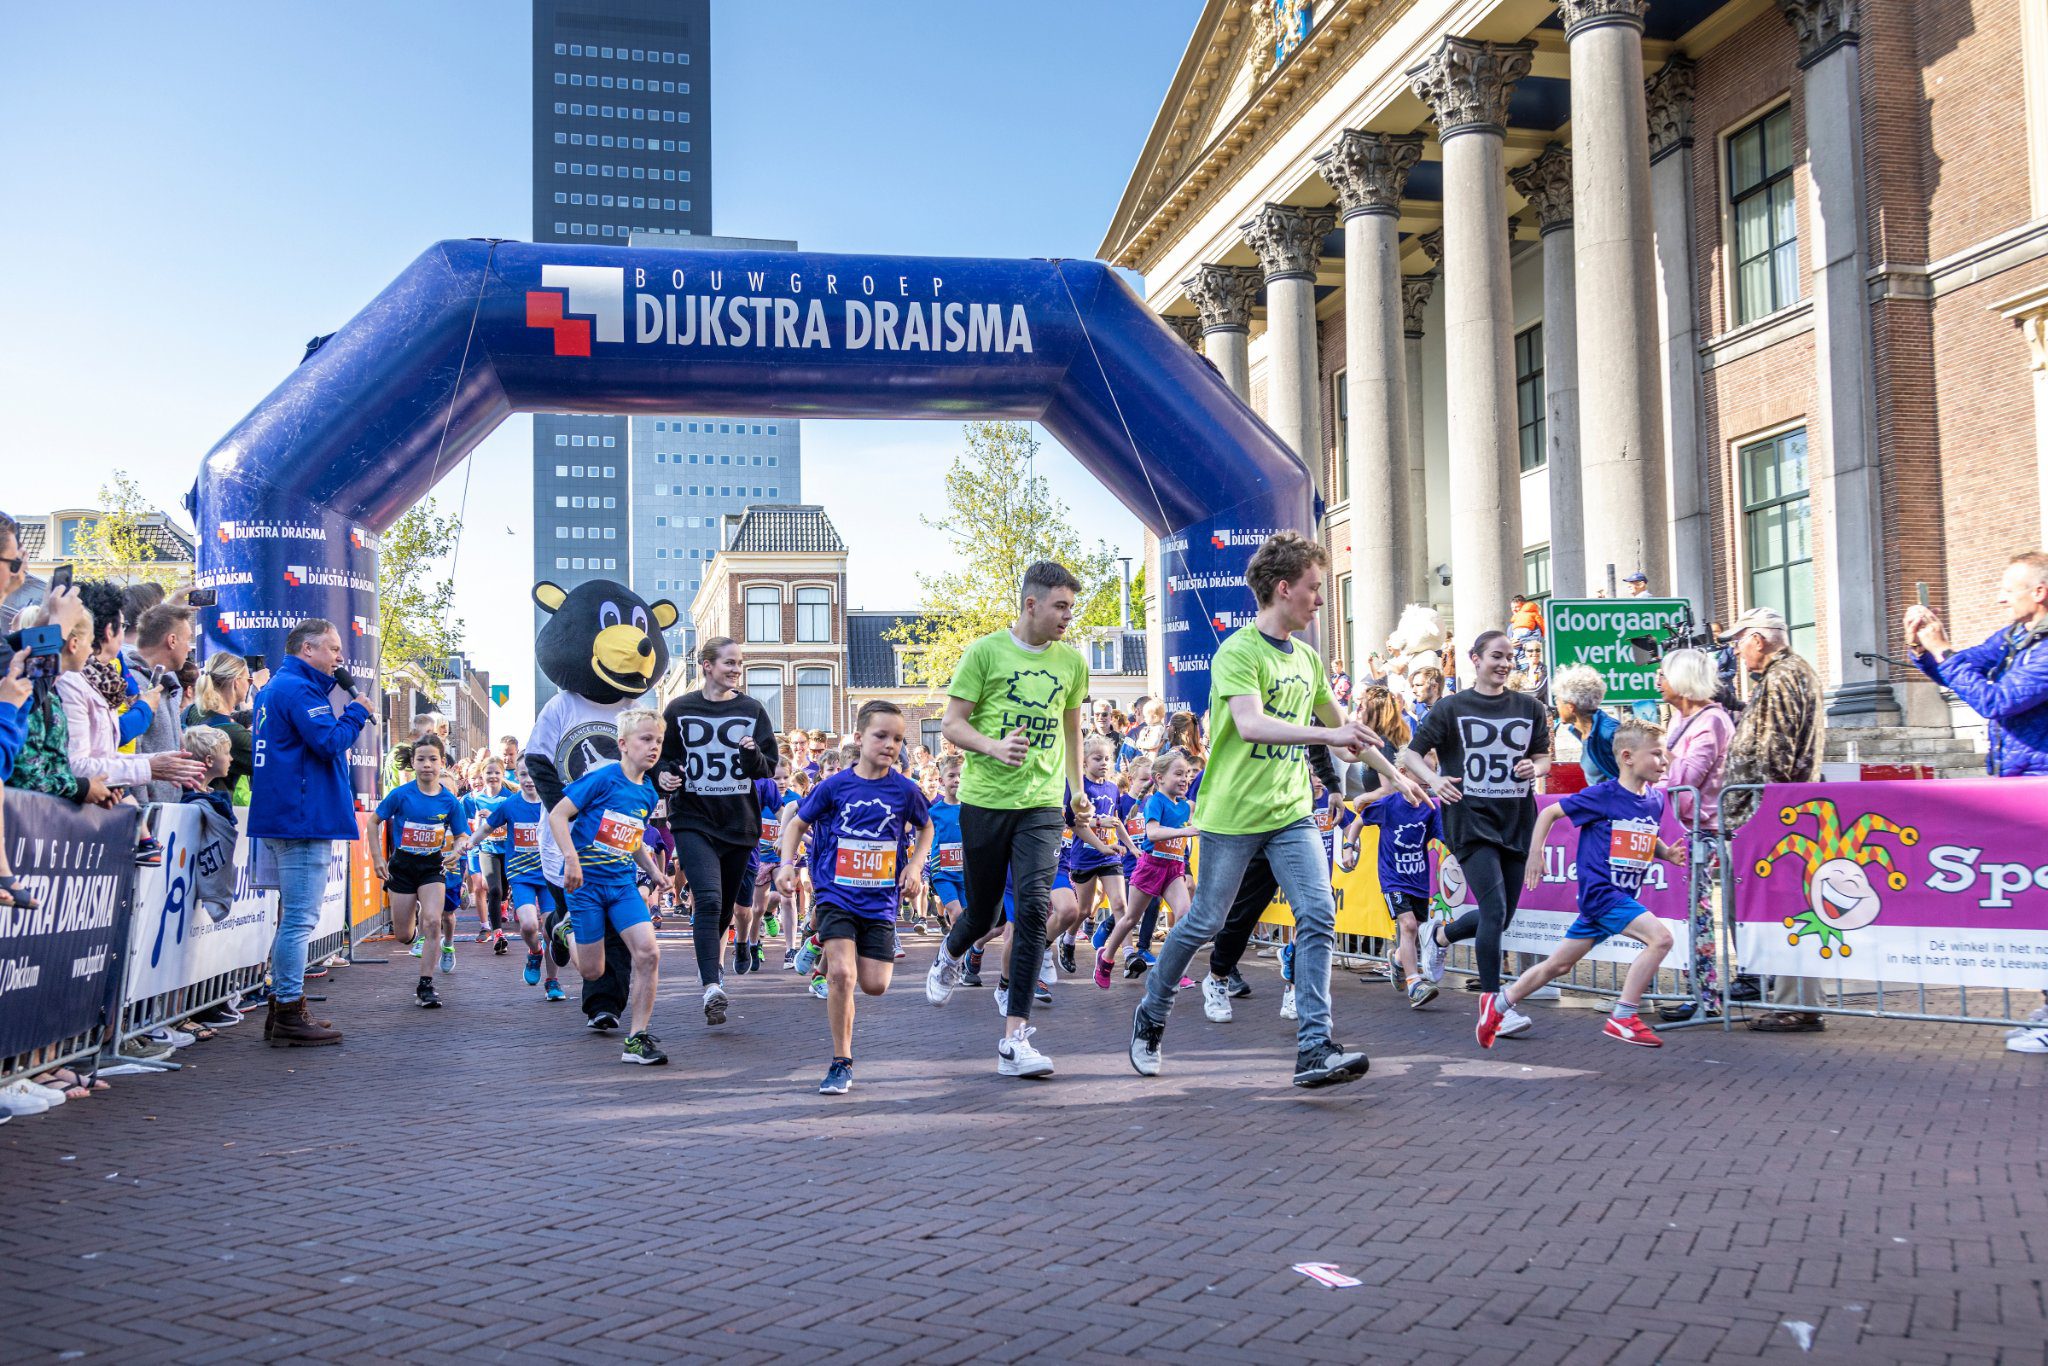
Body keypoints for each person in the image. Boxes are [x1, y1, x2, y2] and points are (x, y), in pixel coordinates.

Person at [1128, 531, 1420, 1088]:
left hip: (1290, 813)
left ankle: (1314, 1045)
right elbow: (1251, 724)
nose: (1319, 599)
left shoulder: (1308, 660)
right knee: (1204, 923)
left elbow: (1346, 736)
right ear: (1283, 589)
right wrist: (1325, 732)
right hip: (1231, 816)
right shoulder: (1238, 651)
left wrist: (1398, 777)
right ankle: (1153, 1009)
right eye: (1313, 588)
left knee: (1318, 915)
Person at [924, 560, 1092, 1080]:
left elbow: (1072, 731)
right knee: (984, 912)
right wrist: (993, 747)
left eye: (1072, 607)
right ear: (1031, 604)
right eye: (1060, 606)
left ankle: (1014, 1041)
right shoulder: (985, 652)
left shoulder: (1071, 662)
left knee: (1034, 912)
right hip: (985, 800)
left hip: (1041, 805)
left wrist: (1079, 790)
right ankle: (951, 952)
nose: (1068, 617)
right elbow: (951, 722)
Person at [1402, 630, 1555, 1043]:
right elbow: (1409, 753)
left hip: (1516, 820)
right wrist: (1435, 780)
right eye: (1496, 656)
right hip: (1469, 820)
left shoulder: (1530, 707)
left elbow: (1543, 756)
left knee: (1502, 916)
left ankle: (1439, 935)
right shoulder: (1453, 707)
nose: (1505, 664)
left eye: (1510, 657)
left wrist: (1535, 769)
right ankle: (1493, 1007)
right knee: (1493, 909)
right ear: (1475, 659)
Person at [1494, 719, 1685, 1048]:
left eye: (1665, 753)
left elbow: (1642, 834)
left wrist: (1666, 852)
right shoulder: (1603, 795)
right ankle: (1624, 1016)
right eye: (1656, 754)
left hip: (1619, 895)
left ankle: (1498, 1006)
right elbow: (1549, 813)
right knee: (1661, 939)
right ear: (1627, 757)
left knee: (1559, 965)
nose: (1664, 761)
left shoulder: (1655, 800)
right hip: (1602, 893)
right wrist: (1536, 853)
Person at [778, 699, 933, 1095]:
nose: (890, 745)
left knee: (875, 984)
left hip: (880, 900)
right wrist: (785, 864)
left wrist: (914, 867)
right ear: (860, 738)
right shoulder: (834, 785)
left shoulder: (905, 790)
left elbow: (926, 828)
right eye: (881, 736)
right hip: (836, 893)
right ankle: (841, 1062)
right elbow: (796, 823)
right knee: (843, 976)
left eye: (898, 739)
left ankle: (817, 943)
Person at [249, 618, 371, 1047]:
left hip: (286, 814)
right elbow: (328, 742)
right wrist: (358, 711)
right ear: (307, 650)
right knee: (300, 919)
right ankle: (287, 1009)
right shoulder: (298, 690)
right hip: (302, 817)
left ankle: (283, 1008)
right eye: (333, 648)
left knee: (292, 917)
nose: (340, 658)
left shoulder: (275, 689)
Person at [652, 636, 779, 1029]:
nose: (736, 670)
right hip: (692, 819)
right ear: (707, 666)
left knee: (724, 908)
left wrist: (751, 755)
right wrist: (665, 776)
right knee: (707, 899)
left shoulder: (751, 709)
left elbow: (768, 767)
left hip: (739, 824)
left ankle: (722, 962)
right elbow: (662, 758)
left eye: (739, 663)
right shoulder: (679, 708)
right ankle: (711, 985)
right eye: (729, 663)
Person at [1717, 607, 1826, 1033]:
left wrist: (1764, 817)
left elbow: (1777, 751)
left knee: (1786, 908)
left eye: (1740, 641)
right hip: (1777, 811)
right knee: (1786, 909)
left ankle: (1795, 1005)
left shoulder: (1783, 677)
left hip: (1771, 815)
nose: (1738, 651)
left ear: (1758, 639)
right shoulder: (1791, 673)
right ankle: (1794, 1002)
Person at [550, 709, 672, 1064]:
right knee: (593, 972)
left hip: (621, 886)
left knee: (649, 954)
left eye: (658, 741)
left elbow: (631, 839)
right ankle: (566, 929)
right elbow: (559, 815)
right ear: (622, 744)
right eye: (646, 739)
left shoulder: (648, 793)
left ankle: (637, 1039)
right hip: (586, 885)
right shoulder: (602, 779)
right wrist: (571, 860)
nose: (654, 747)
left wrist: (653, 870)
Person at [1905, 552, 2048, 778]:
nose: (2000, 599)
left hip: (2039, 780)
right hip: (2013, 776)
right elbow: (1956, 671)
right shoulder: (2012, 636)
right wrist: (1922, 647)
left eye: (2009, 591)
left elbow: (1996, 702)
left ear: (2038, 592)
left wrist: (1942, 650)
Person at [1656, 648, 1734, 1021]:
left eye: (1664, 675)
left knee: (1697, 914)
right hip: (1680, 830)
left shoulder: (1712, 722)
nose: (1658, 682)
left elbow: (1686, 779)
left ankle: (1707, 998)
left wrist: (1661, 757)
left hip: (1702, 832)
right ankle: (1697, 992)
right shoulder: (1678, 721)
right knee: (1685, 913)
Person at [372, 734, 471, 1005]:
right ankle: (412, 931)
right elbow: (373, 822)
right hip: (402, 866)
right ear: (413, 763)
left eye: (433, 759)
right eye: (421, 759)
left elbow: (463, 834)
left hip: (431, 866)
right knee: (403, 935)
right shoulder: (401, 795)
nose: (427, 764)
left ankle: (425, 986)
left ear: (442, 764)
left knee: (432, 920)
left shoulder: (450, 801)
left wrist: (457, 848)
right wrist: (378, 857)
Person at [485, 761, 560, 998]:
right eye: (523, 774)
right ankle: (535, 952)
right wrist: (468, 842)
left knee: (551, 931)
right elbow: (487, 827)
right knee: (528, 925)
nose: (529, 780)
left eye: (533, 774)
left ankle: (552, 982)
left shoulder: (554, 803)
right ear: (516, 776)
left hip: (548, 875)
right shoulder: (510, 805)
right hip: (522, 876)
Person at [124, 602, 197, 806]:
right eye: (188, 639)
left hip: (165, 818)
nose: (189, 648)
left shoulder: (167, 684)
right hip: (142, 819)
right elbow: (129, 752)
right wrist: (139, 817)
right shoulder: (134, 686)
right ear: (172, 640)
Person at [185, 652, 259, 800]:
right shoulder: (232, 733)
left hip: (189, 802)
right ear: (236, 682)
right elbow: (272, 764)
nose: (249, 684)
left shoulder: (191, 711)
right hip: (215, 807)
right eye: (249, 680)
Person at [1554, 664, 1619, 785]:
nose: (1556, 705)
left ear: (1571, 707)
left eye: (1557, 700)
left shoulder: (1609, 733)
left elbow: (1631, 779)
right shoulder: (1585, 731)